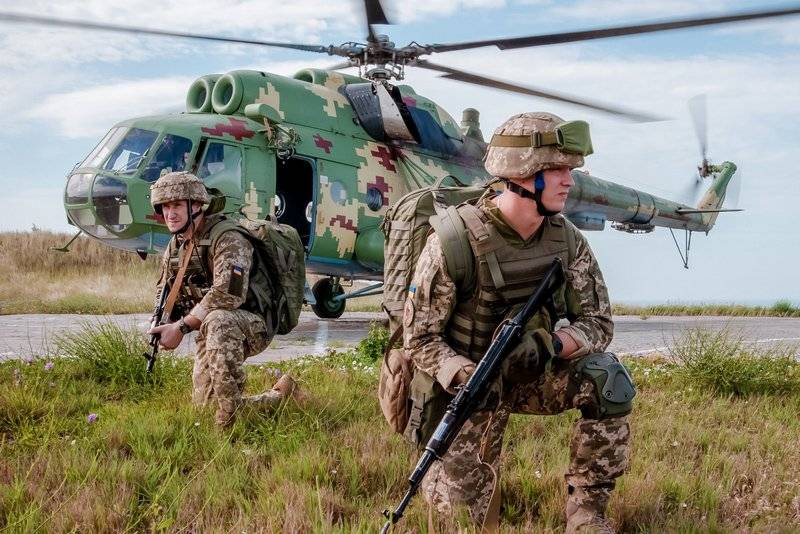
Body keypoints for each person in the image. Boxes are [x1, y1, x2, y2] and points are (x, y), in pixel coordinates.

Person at [402, 112, 634, 532]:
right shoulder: (453, 243)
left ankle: (587, 513)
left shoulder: (565, 240)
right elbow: (419, 339)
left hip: (531, 374)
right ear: (523, 174)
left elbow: (598, 322)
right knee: (462, 523)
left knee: (608, 379)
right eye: (558, 169)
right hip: (467, 387)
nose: (569, 180)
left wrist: (554, 345)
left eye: (570, 170)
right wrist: (465, 374)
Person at [147, 171, 300, 427]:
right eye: (164, 206)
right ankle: (280, 396)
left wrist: (181, 327)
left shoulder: (228, 237)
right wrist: (160, 320)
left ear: (196, 205)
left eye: (175, 205)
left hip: (251, 322)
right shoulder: (176, 246)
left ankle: (227, 425)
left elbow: (228, 294)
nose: (169, 213)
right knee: (205, 408)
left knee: (219, 320)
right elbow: (164, 290)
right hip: (211, 328)